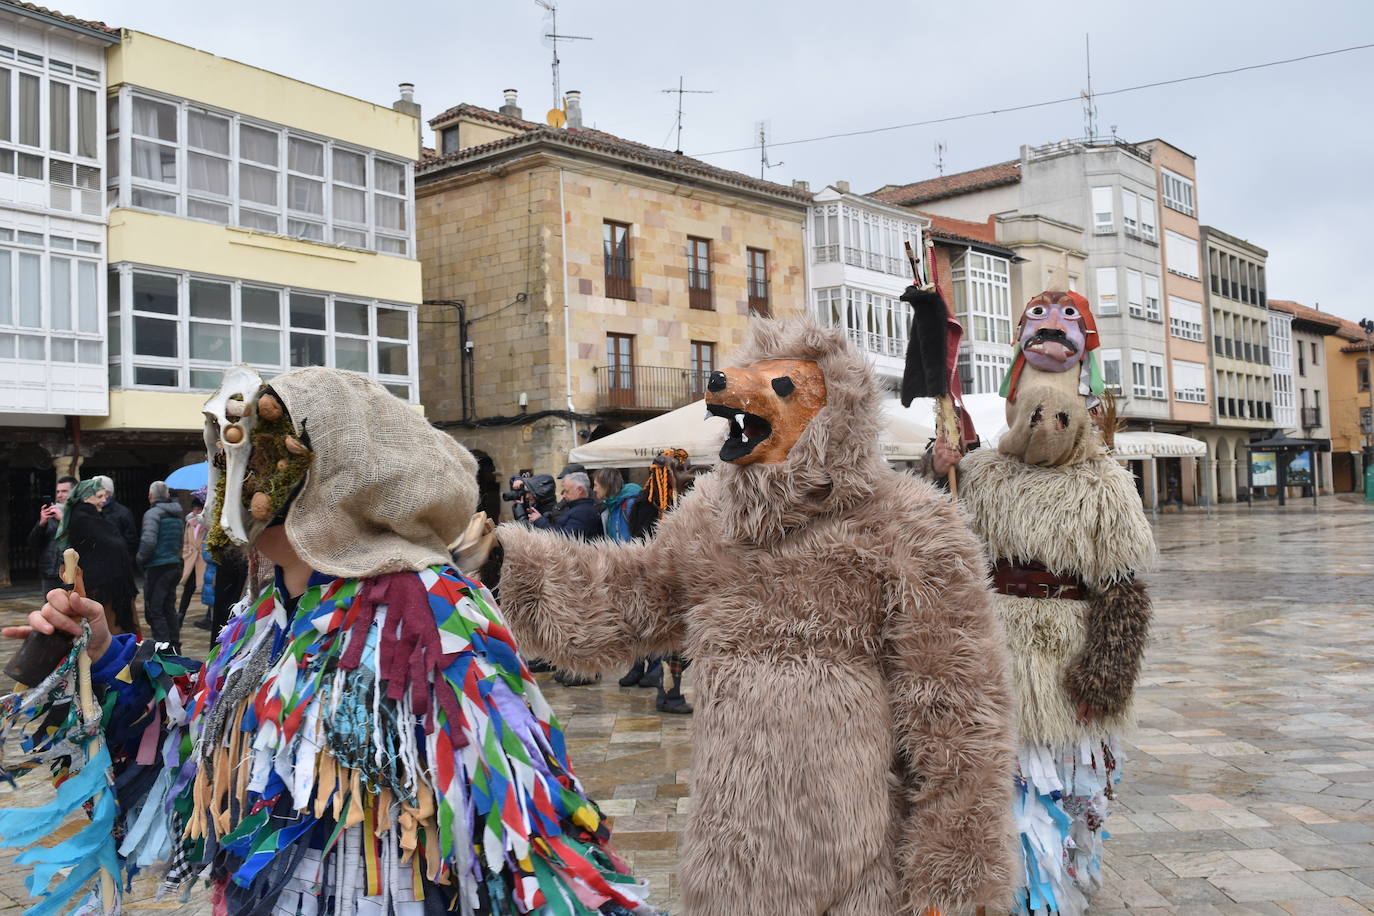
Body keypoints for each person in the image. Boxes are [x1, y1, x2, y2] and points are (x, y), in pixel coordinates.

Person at [0, 366, 653, 916]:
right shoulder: (273, 606)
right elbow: (212, 735)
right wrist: (106, 650)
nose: (236, 491)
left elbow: (520, 824)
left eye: (257, 470)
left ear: (333, 482)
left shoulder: (429, 611)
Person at [486, 319, 1015, 914]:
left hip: (860, 863)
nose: (739, 391)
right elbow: (623, 603)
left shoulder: (910, 525)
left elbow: (959, 722)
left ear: (832, 415)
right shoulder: (710, 518)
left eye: (779, 387)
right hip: (732, 855)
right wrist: (503, 565)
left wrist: (953, 886)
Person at [929, 290, 1155, 916]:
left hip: (1066, 648)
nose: (1046, 428)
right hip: (994, 640)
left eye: (1060, 419)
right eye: (1034, 416)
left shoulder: (1105, 482)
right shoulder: (978, 476)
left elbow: (1122, 589)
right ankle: (1005, 886)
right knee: (1001, 773)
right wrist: (935, 466)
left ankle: (1056, 887)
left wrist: (1107, 671)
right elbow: (928, 532)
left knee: (1063, 775)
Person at [52, 478, 139, 636]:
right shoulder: (83, 518)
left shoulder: (90, 516)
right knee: (109, 632)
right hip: (103, 591)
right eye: (99, 496)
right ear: (86, 498)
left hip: (110, 589)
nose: (104, 500)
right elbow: (109, 548)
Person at [137, 480, 185, 651]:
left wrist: (139, 559)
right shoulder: (177, 514)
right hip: (174, 564)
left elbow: (148, 541)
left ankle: (163, 648)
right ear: (167, 495)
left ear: (150, 496)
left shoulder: (153, 514)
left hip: (158, 566)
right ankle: (175, 645)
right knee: (169, 607)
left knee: (155, 609)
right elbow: (180, 541)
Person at [26, 475, 75, 594]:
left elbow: (83, 539)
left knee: (73, 609)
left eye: (64, 491)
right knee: (50, 610)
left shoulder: (79, 513)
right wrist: (41, 524)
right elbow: (32, 543)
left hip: (71, 572)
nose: (59, 495)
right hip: (49, 572)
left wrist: (63, 520)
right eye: (58, 491)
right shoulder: (50, 515)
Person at [528, 471, 601, 539]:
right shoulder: (578, 509)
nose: (564, 495)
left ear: (580, 490)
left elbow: (564, 538)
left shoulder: (583, 512)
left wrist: (540, 521)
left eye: (567, 491)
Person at [176, 490, 208, 624]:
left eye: (199, 509)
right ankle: (181, 615)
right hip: (191, 560)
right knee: (188, 589)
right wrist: (186, 554)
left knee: (208, 588)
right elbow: (185, 541)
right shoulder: (190, 523)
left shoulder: (207, 524)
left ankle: (209, 616)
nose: (196, 512)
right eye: (194, 509)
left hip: (203, 560)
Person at [94, 475, 139, 558]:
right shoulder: (90, 511)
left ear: (107, 493)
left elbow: (131, 541)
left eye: (95, 490)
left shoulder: (123, 513)